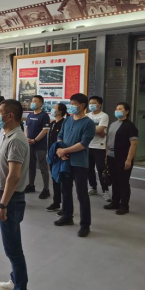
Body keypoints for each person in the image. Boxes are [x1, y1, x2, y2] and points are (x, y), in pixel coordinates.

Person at [0, 99, 31, 290]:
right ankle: (15, 279)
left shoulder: (16, 140)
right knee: (12, 245)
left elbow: (14, 177)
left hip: (11, 200)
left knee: (13, 249)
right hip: (4, 197)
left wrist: (4, 204)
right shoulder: (8, 135)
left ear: (10, 116)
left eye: (0, 112)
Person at [54, 93, 95, 237]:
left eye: (74, 104)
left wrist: (65, 150)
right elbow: (60, 136)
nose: (71, 106)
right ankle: (67, 216)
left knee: (82, 194)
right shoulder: (67, 120)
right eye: (70, 103)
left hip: (79, 163)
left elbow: (83, 144)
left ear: (82, 105)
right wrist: (60, 150)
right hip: (65, 161)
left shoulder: (88, 123)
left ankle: (85, 225)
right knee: (65, 190)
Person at [103, 103, 138, 215]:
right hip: (111, 156)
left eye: (120, 109)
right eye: (116, 108)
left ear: (126, 111)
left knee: (123, 181)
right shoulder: (113, 124)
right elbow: (108, 140)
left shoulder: (130, 126)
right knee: (114, 180)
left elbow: (133, 144)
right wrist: (106, 155)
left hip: (123, 157)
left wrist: (129, 159)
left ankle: (124, 205)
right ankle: (115, 202)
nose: (117, 110)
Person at [25, 95, 51, 199]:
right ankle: (31, 185)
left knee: (43, 167)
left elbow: (45, 130)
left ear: (40, 103)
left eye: (35, 101)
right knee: (31, 166)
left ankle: (46, 189)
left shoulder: (44, 116)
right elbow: (27, 127)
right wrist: (27, 138)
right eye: (32, 101)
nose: (32, 103)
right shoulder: (30, 115)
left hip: (40, 145)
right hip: (30, 144)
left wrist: (35, 140)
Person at [87, 96, 110, 200]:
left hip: (99, 147)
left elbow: (100, 130)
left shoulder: (104, 116)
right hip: (88, 146)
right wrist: (98, 130)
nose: (91, 105)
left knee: (101, 169)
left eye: (94, 103)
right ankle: (93, 187)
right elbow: (83, 130)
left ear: (99, 105)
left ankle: (105, 190)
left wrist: (96, 130)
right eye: (90, 103)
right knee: (89, 168)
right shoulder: (87, 115)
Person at [46, 103, 67, 214]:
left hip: (60, 156)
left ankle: (65, 206)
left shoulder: (64, 123)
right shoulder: (53, 123)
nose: (52, 109)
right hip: (52, 155)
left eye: (55, 108)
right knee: (55, 180)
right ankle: (56, 202)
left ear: (60, 111)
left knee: (62, 181)